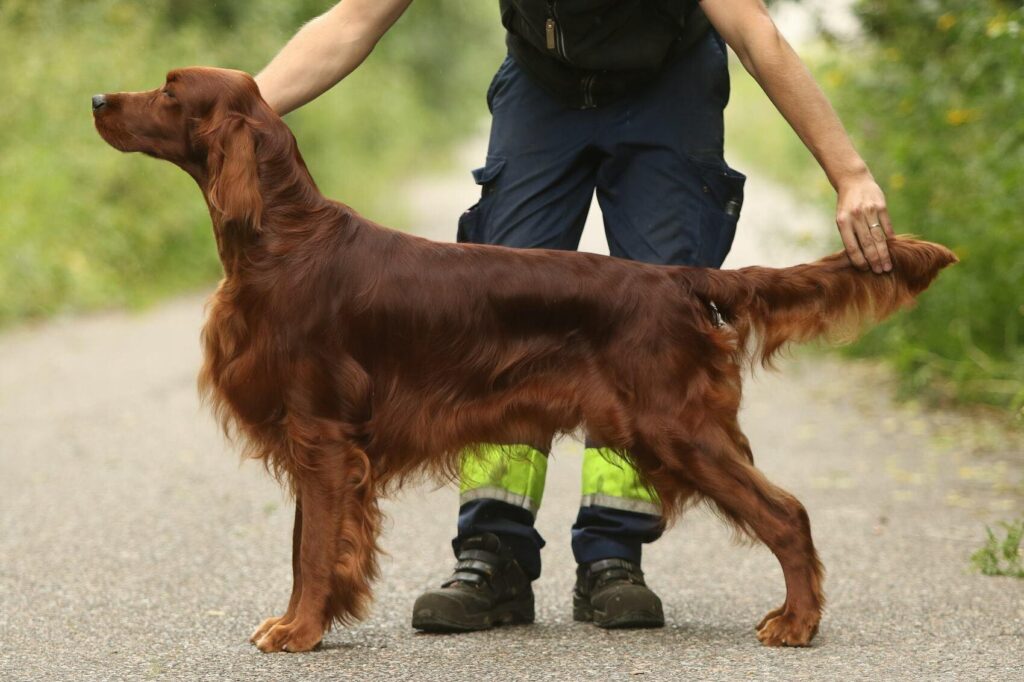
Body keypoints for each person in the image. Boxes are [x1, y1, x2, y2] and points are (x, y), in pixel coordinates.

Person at [256, 0, 894, 632]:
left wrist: (850, 171)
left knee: (650, 329)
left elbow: (755, 34)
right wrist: (236, 109)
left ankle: (614, 554)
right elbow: (352, 20)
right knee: (488, 317)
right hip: (544, 86)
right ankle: (494, 552)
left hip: (669, 88)